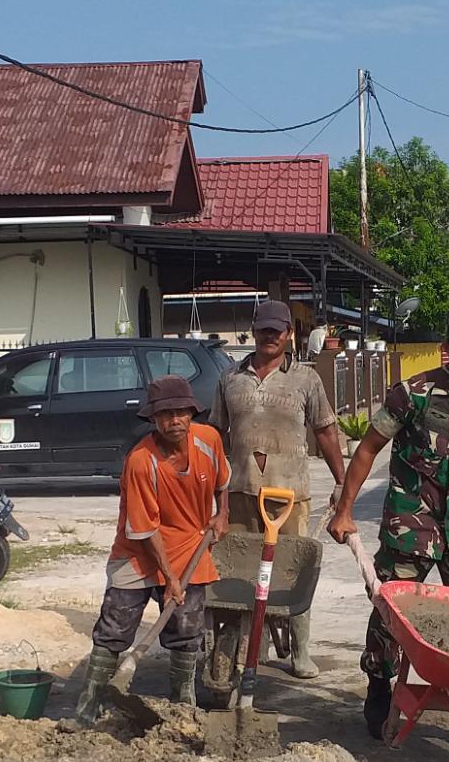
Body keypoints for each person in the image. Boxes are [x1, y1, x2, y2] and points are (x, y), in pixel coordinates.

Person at [327, 305, 449, 738]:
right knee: (390, 613)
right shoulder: (411, 394)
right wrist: (345, 510)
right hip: (410, 525)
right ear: (447, 350)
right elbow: (369, 448)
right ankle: (379, 682)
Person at [75, 375, 230, 724]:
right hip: (138, 552)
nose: (174, 420)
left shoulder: (209, 440)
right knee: (114, 628)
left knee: (186, 630)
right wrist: (170, 578)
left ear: (192, 413)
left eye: (181, 412)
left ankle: (183, 706)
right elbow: (147, 531)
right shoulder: (140, 461)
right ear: (153, 419)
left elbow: (223, 482)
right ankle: (90, 705)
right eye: (165, 414)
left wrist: (223, 515)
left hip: (191, 546)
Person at [210, 300, 345, 679]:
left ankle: (300, 651)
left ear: (290, 334)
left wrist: (342, 482)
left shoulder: (306, 378)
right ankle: (243, 644)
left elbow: (325, 430)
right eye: (264, 329)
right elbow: (215, 434)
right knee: (238, 574)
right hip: (240, 493)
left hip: (290, 497)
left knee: (291, 574)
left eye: (277, 330)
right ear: (253, 331)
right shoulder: (230, 378)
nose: (270, 336)